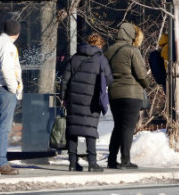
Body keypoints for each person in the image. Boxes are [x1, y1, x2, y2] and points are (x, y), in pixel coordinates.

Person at [60, 33, 113, 172]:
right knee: (90, 130)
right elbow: (109, 79)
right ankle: (92, 163)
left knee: (73, 130)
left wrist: (63, 97)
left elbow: (65, 79)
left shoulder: (75, 57)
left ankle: (72, 163)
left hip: (73, 99)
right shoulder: (101, 59)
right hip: (92, 100)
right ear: (99, 45)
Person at [104, 22, 150, 169]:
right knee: (128, 127)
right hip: (131, 94)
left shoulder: (109, 51)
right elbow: (141, 74)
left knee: (118, 126)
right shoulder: (132, 50)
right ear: (131, 34)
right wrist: (146, 84)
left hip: (114, 94)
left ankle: (111, 160)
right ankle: (125, 160)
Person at [0, 19, 23, 175]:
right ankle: (1, 163)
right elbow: (7, 69)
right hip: (5, 88)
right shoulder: (8, 46)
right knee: (4, 127)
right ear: (17, 33)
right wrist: (14, 88)